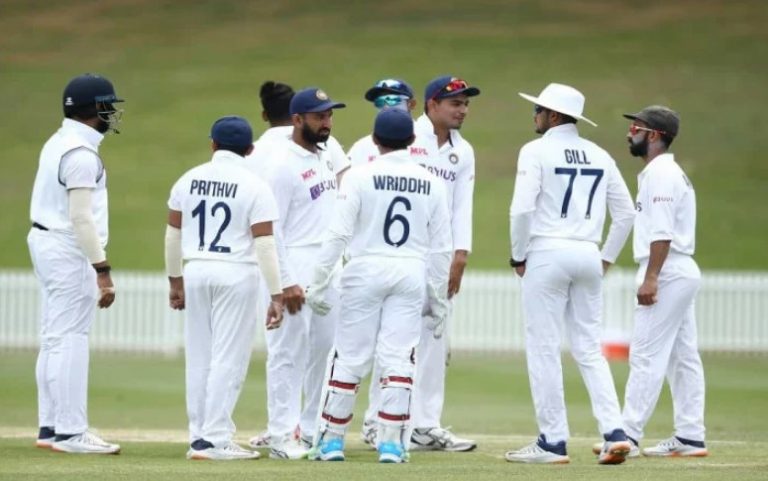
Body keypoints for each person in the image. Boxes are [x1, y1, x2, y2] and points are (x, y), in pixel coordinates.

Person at [306, 108, 452, 463]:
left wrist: (319, 281)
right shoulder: (431, 180)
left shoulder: (359, 175)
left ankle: (330, 441)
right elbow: (442, 245)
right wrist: (439, 296)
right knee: (399, 358)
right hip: (410, 271)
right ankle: (391, 443)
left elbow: (338, 233)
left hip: (364, 268)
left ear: (375, 141)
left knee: (350, 356)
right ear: (413, 141)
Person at [506, 83, 636, 465]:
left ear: (555, 117)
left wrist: (517, 256)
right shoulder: (600, 154)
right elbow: (627, 214)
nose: (535, 116)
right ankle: (614, 432)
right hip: (587, 254)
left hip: (547, 250)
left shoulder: (535, 150)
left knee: (544, 348)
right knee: (588, 347)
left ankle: (552, 441)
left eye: (540, 110)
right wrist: (606, 258)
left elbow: (521, 210)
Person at [165, 116, 285, 460]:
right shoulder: (255, 185)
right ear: (250, 149)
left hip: (197, 269)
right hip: (236, 272)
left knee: (200, 356)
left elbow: (173, 235)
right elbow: (264, 244)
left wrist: (176, 280)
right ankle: (214, 438)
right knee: (228, 358)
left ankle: (198, 434)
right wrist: (276, 294)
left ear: (212, 144)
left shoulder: (188, 179)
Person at [243, 81, 352, 451]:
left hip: (326, 268)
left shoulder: (323, 156)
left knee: (323, 351)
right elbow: (272, 230)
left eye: (330, 115)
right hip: (295, 266)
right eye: (319, 116)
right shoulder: (281, 166)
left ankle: (308, 429)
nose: (327, 123)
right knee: (287, 352)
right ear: (297, 119)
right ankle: (280, 434)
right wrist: (284, 282)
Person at [27, 73, 123, 454]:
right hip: (68, 247)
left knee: (54, 336)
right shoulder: (81, 155)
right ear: (92, 110)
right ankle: (70, 432)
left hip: (46, 240)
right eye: (108, 106)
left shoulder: (58, 141)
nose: (113, 113)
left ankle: (51, 426)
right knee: (71, 337)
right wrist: (101, 269)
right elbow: (81, 217)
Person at [620, 106, 707, 457]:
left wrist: (652, 277)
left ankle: (626, 435)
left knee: (645, 354)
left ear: (653, 135)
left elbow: (662, 231)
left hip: (667, 270)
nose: (629, 134)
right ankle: (690, 435)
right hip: (678, 269)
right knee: (683, 357)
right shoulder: (662, 173)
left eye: (636, 128)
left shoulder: (661, 174)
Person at [404, 75, 480, 452]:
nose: (462, 110)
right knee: (392, 334)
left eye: (465, 104)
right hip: (402, 248)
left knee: (435, 332)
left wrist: (460, 253)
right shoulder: (407, 135)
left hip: (439, 252)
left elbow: (462, 204)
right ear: (432, 105)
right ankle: (378, 421)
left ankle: (425, 425)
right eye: (455, 103)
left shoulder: (462, 151)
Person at [346, 78, 417, 166]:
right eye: (379, 102)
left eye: (392, 100)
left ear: (411, 104)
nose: (386, 106)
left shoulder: (428, 138)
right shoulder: (362, 148)